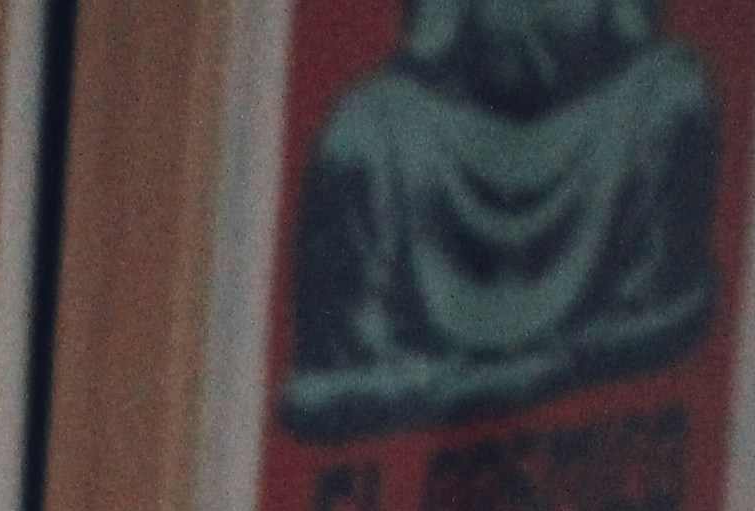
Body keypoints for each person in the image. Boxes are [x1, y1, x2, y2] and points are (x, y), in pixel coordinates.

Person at [275, 0, 724, 446]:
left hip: (616, 112)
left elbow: (669, 318)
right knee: (354, 135)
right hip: (429, 130)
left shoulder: (659, 105)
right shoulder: (374, 134)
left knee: (677, 90)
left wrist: (550, 367)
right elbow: (325, 390)